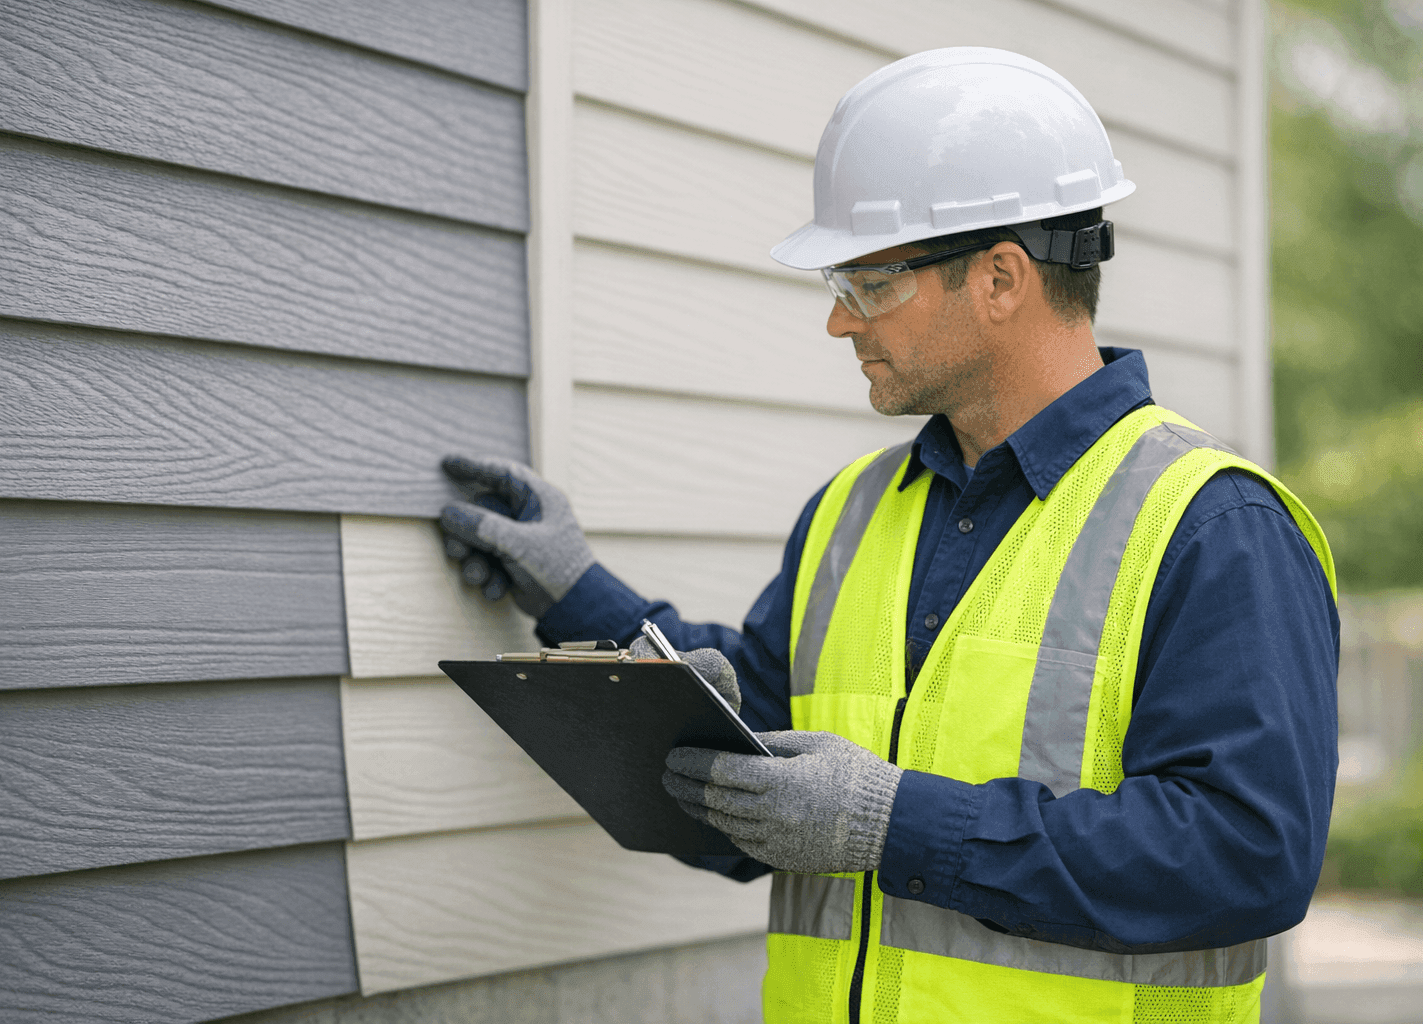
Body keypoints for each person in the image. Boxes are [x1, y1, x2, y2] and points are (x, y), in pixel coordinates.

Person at [438, 48, 1339, 1024]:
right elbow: (758, 760)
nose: (837, 321)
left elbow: (1244, 858)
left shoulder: (1213, 524)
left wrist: (893, 822)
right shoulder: (852, 510)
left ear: (1000, 278)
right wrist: (574, 589)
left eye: (870, 283)